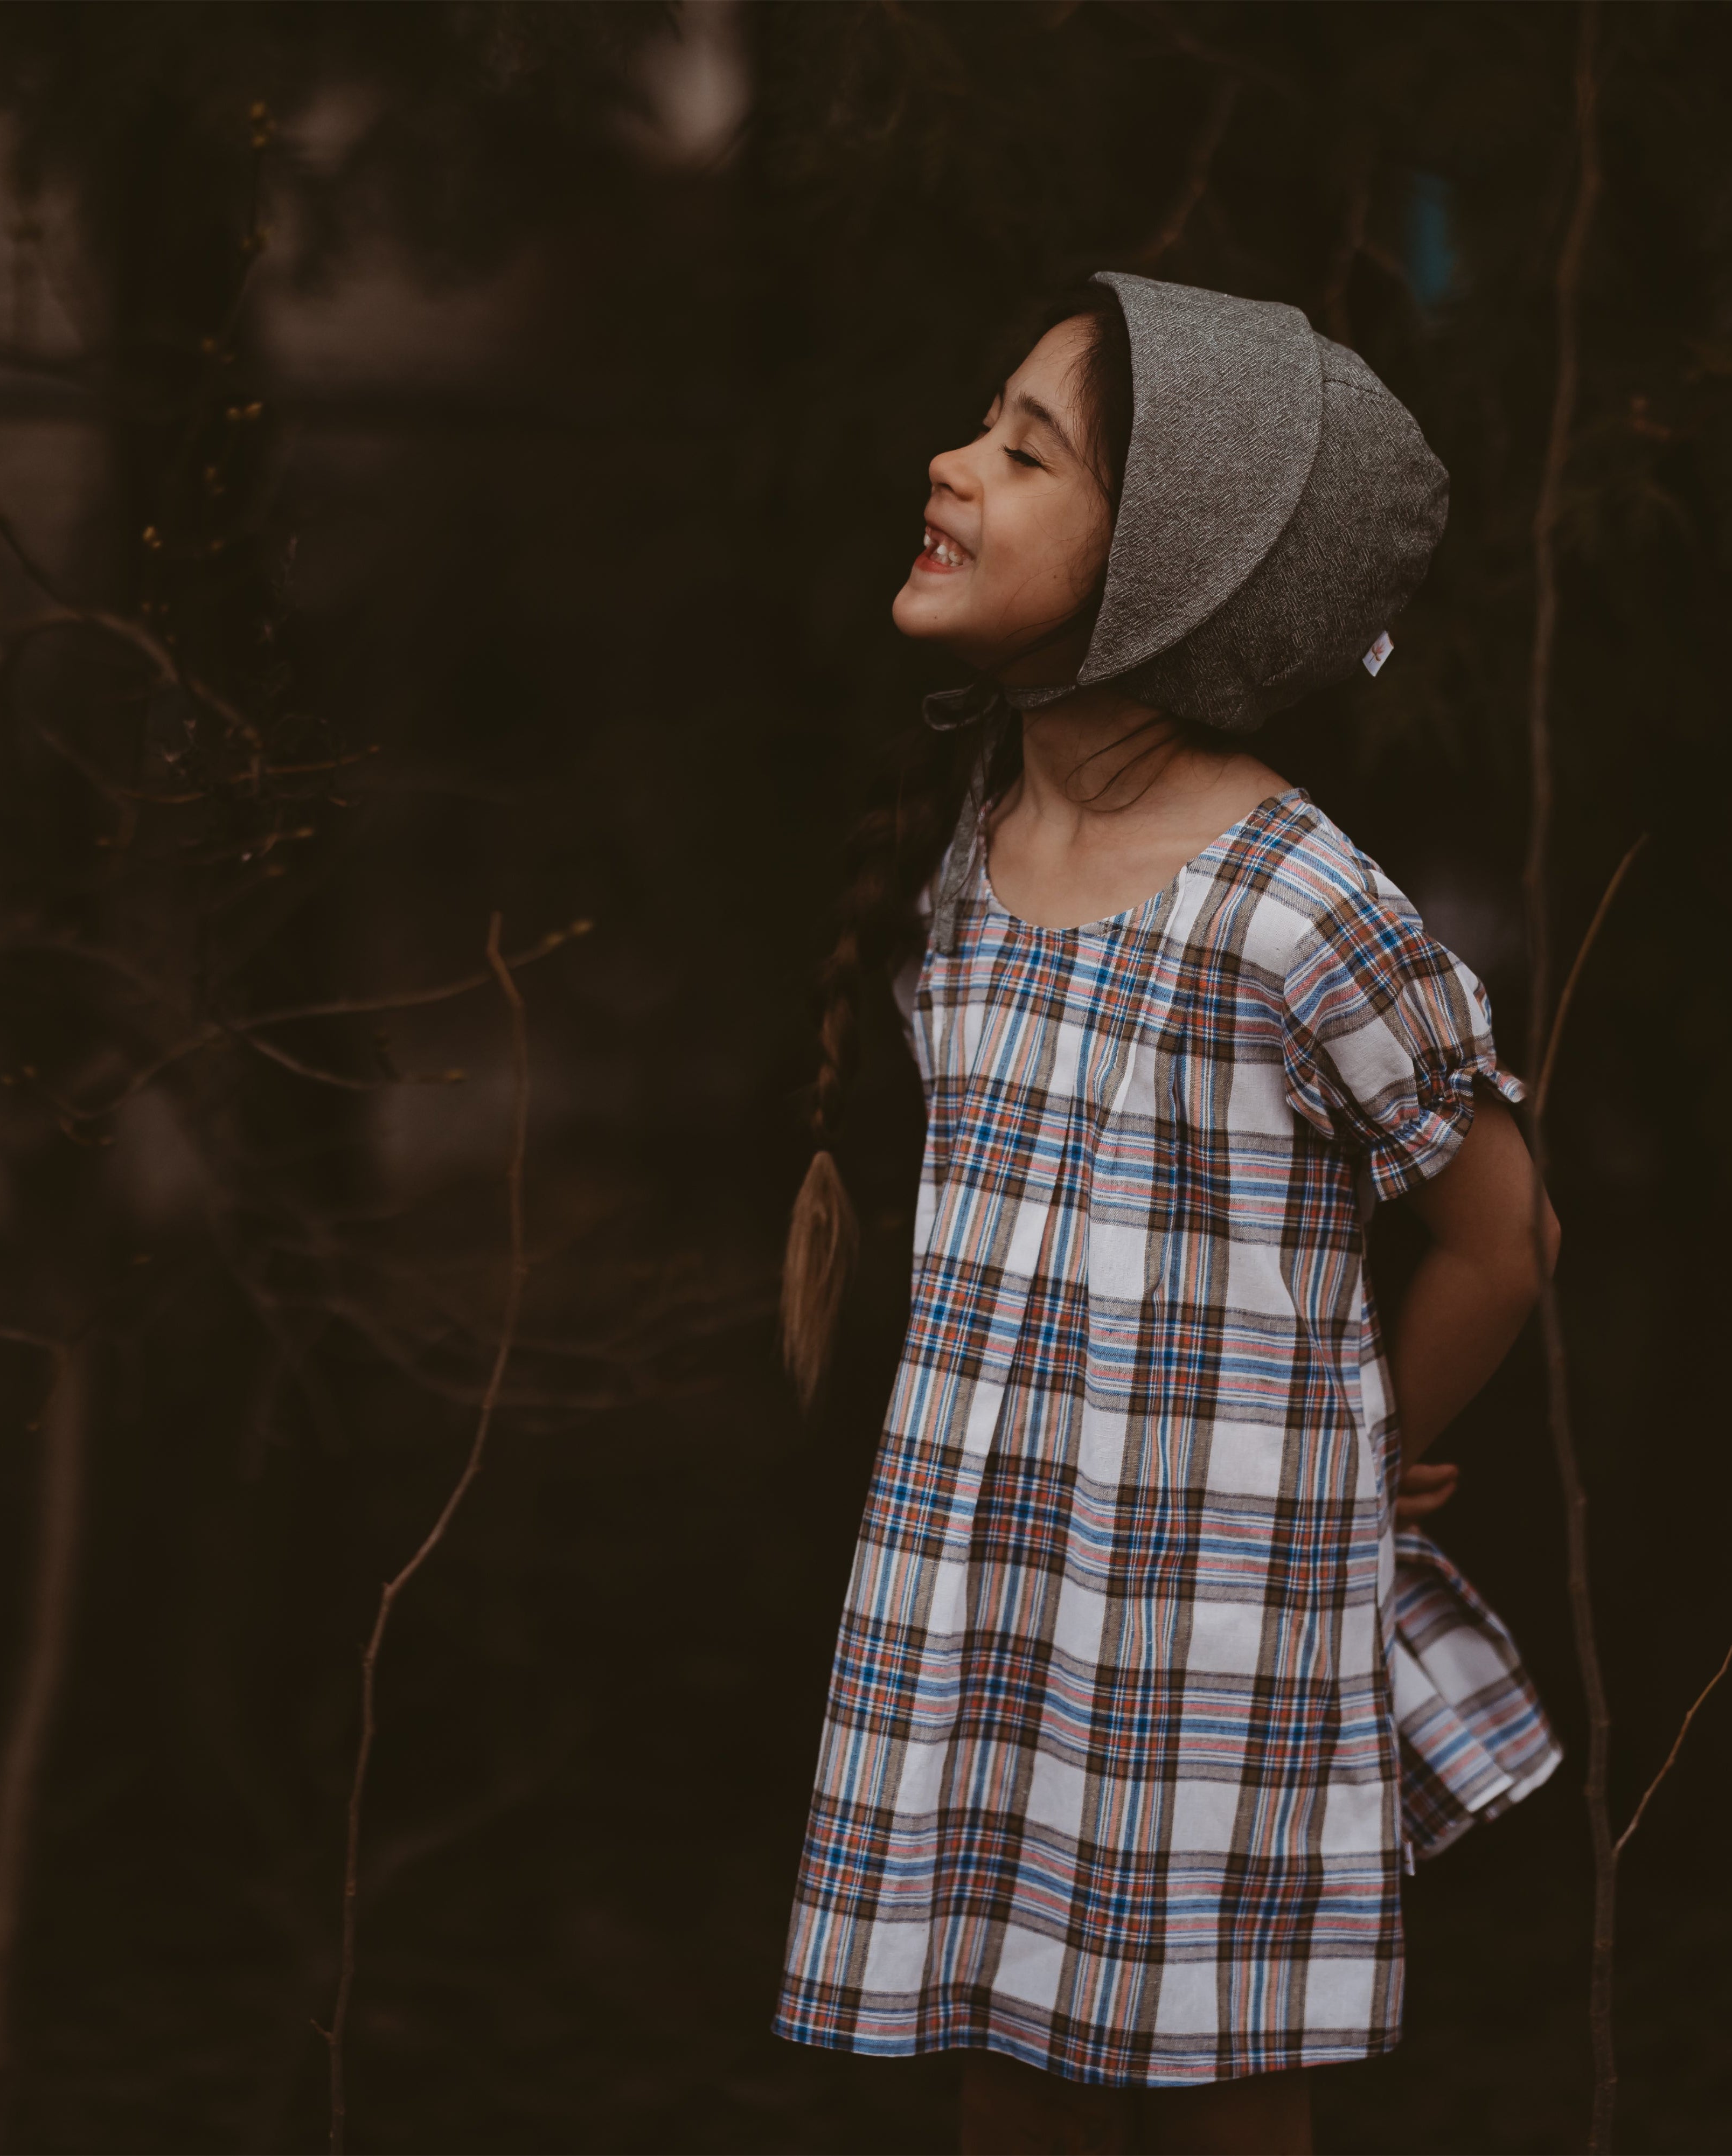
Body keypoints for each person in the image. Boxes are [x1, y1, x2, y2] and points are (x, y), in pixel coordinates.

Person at [773, 274, 1562, 2156]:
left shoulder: (1291, 905)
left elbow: (1498, 1231)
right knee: (998, 2064)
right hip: (981, 1604)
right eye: (985, 423)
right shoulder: (969, 858)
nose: (952, 465)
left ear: (1177, 566)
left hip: (1213, 1626)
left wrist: (1362, 1462)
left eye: (1025, 450)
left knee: (1219, 2089)